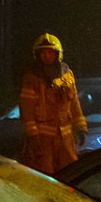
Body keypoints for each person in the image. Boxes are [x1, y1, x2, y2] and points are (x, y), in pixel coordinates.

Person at [17, 32, 87, 174]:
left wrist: (81, 127)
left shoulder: (67, 75)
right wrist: (33, 135)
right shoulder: (31, 78)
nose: (46, 56)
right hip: (43, 142)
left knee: (70, 174)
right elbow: (27, 110)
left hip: (66, 141)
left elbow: (74, 103)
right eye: (43, 53)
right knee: (45, 176)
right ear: (37, 55)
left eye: (50, 52)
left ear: (57, 54)